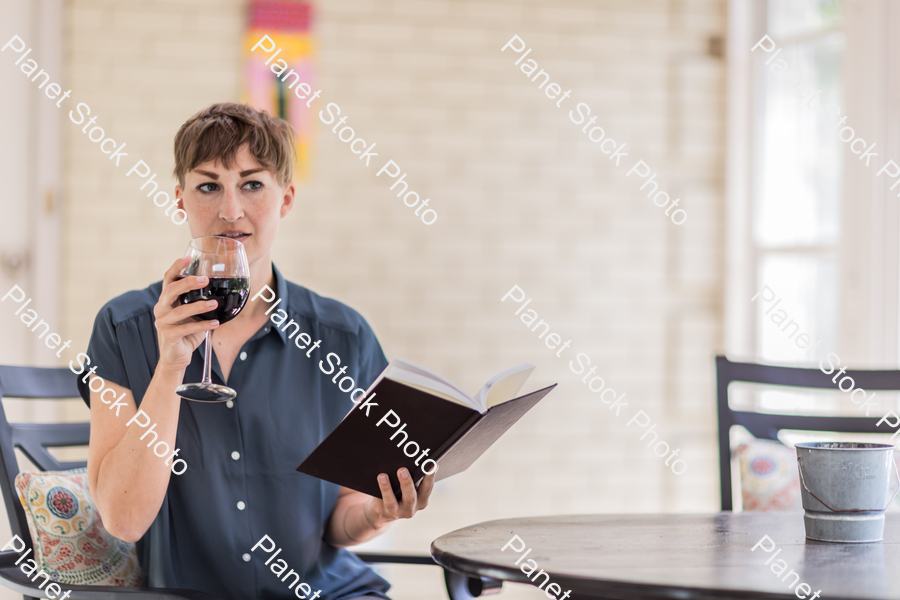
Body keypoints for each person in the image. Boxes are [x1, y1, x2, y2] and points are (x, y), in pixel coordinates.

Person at [78, 102, 434, 600]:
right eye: (208, 186)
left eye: (251, 184)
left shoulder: (344, 337)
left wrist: (377, 514)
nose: (230, 210)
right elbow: (124, 520)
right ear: (179, 199)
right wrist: (171, 366)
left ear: (285, 199)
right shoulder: (122, 328)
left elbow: (342, 524)